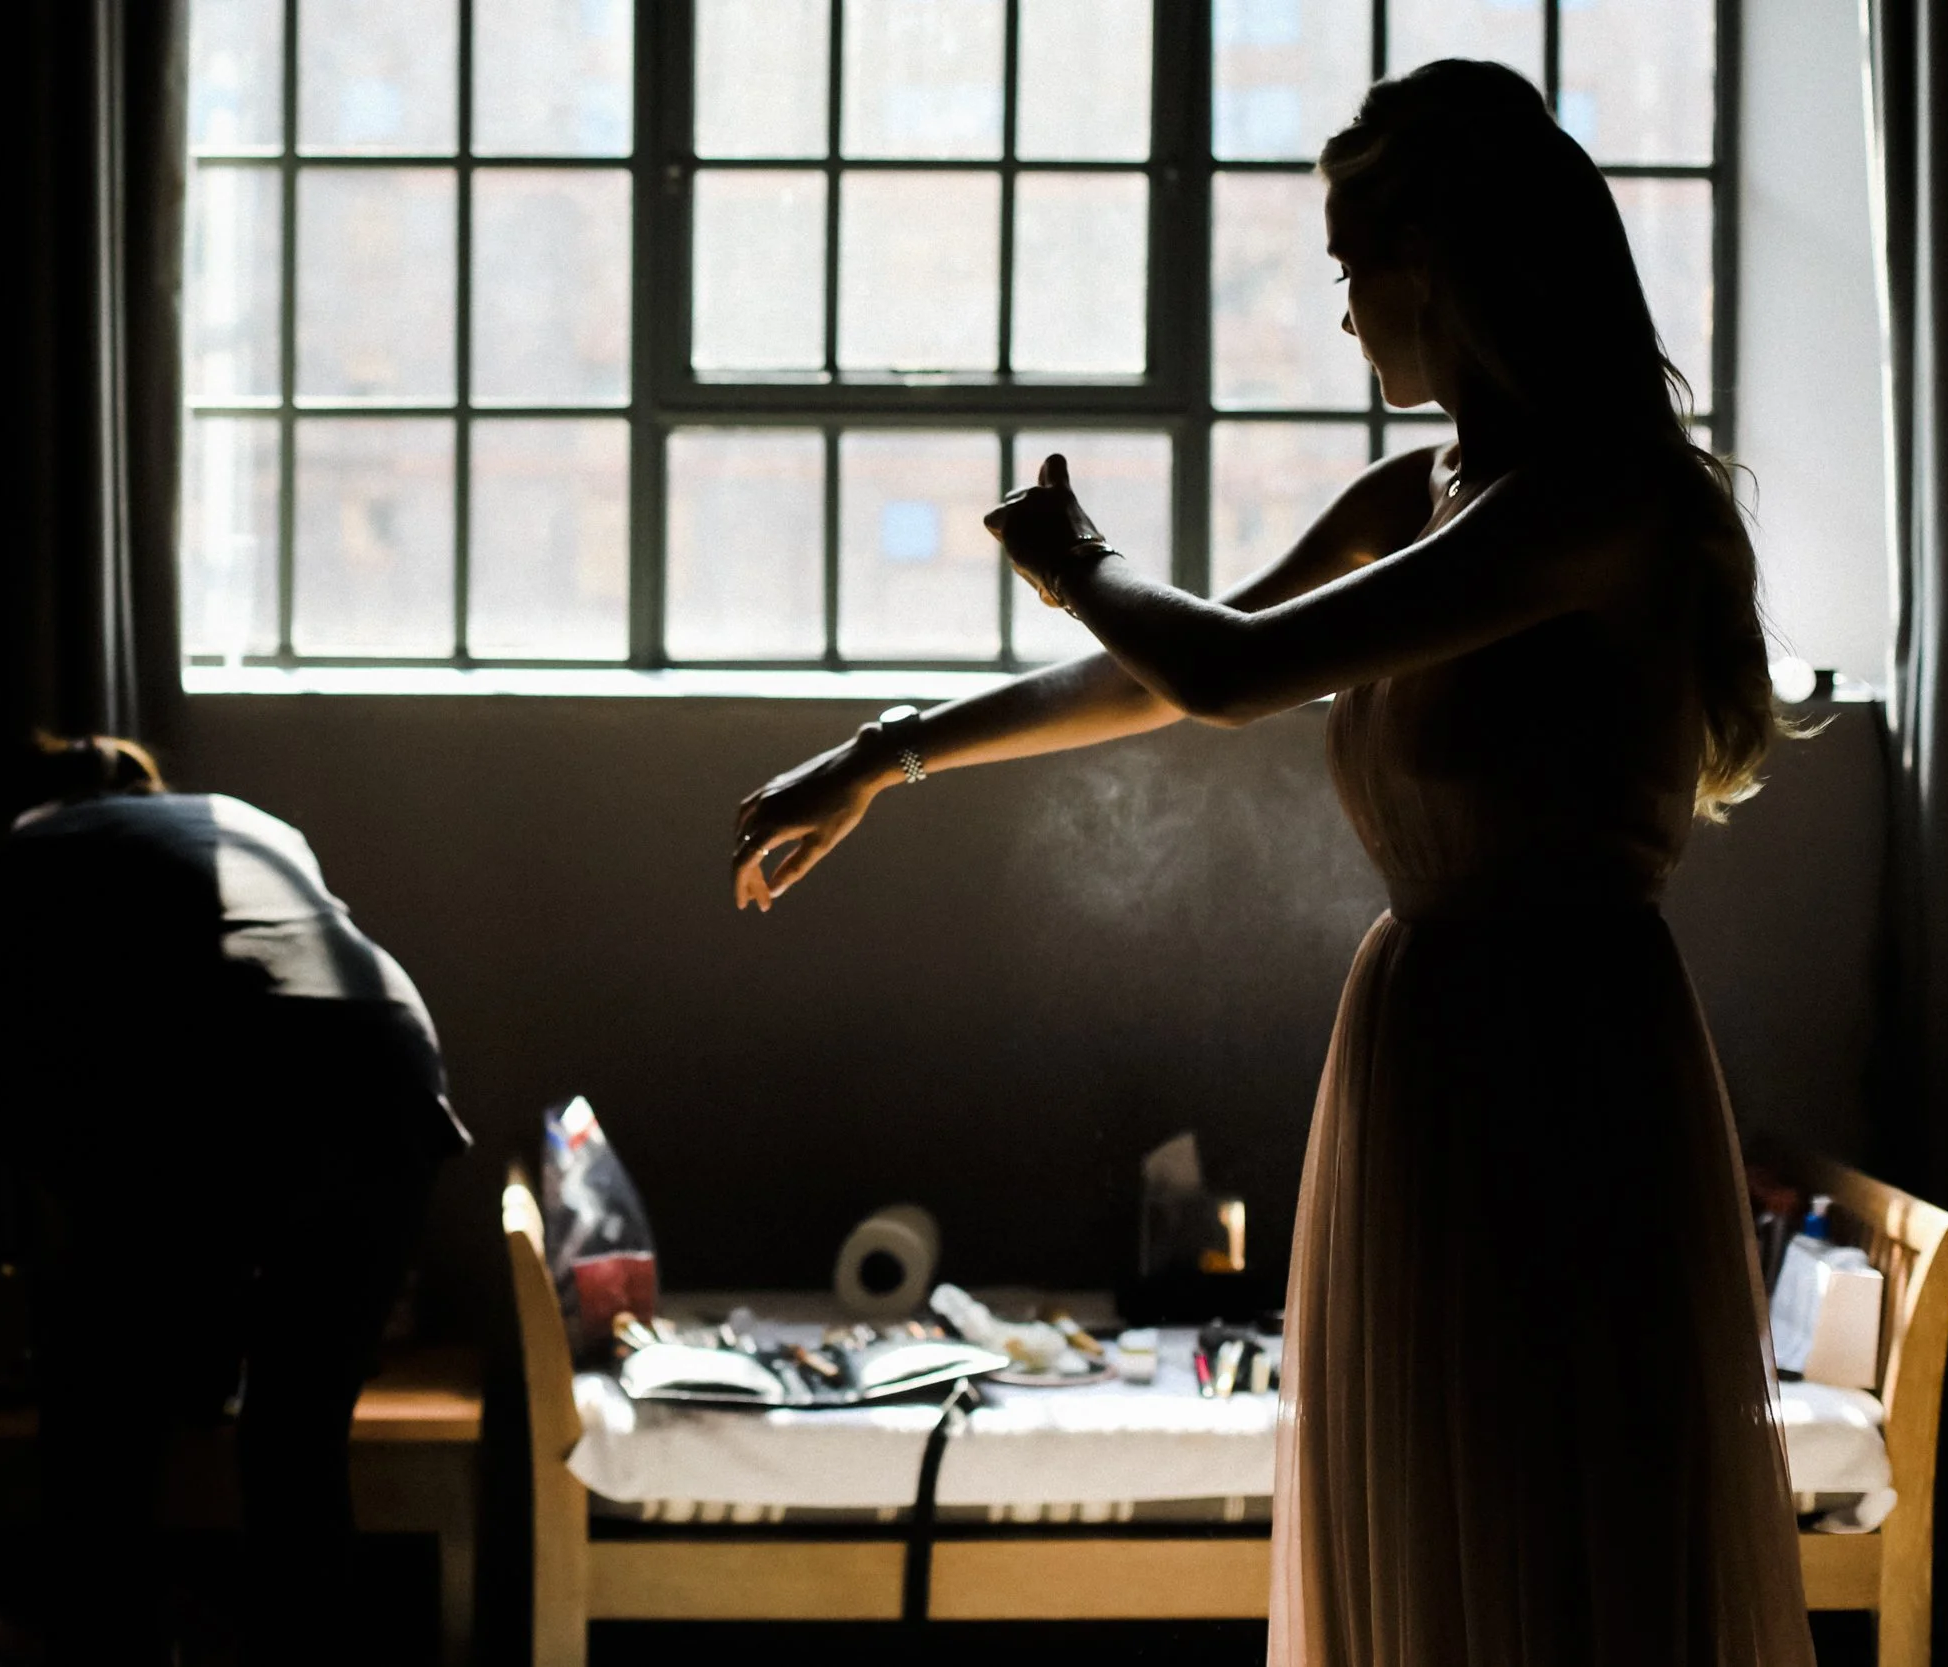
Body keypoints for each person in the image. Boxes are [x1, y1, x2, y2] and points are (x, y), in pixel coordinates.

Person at [731, 59, 1815, 1666]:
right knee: (1427, 1507)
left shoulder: (1594, 501)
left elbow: (1233, 668)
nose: (1340, 311)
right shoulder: (1424, 491)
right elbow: (1172, 674)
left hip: (1561, 1055)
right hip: (1428, 1043)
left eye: (1350, 270)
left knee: (1547, 1511)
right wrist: (893, 750)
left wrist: (1078, 559)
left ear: (1447, 268)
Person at [0, 732, 466, 1667]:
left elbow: (33, 1098)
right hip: (393, 1066)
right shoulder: (234, 818)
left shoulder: (21, 856)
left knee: (101, 1417)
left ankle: (101, 1644)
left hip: (243, 1068)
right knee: (299, 1439)